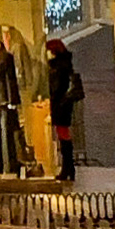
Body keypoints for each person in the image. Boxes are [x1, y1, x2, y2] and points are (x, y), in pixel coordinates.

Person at [45, 38, 85, 183]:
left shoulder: (58, 66)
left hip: (60, 103)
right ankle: (69, 168)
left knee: (63, 135)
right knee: (63, 135)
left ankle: (67, 168)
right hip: (64, 103)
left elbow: (56, 86)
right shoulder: (65, 63)